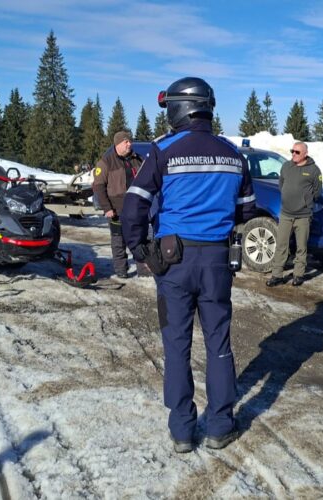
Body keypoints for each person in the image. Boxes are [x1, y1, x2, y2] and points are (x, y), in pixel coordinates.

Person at [122, 77, 257, 453]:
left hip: (174, 263)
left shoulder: (164, 150)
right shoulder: (233, 154)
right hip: (216, 261)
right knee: (218, 344)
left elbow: (133, 205)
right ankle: (219, 425)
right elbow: (246, 209)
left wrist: (139, 250)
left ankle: (182, 430)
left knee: (177, 346)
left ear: (180, 108)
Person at [266, 141, 322, 287]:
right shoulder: (286, 167)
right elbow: (281, 184)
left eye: (297, 152)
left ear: (305, 154)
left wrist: (305, 201)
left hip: (303, 216)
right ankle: (277, 275)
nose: (293, 154)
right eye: (292, 151)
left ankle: (298, 274)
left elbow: (317, 191)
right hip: (285, 214)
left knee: (301, 246)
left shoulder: (314, 170)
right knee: (281, 245)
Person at [92, 130, 144, 278]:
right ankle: (121, 271)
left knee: (139, 238)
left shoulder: (137, 159)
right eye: (126, 142)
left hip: (135, 207)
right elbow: (99, 186)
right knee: (118, 240)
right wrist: (107, 208)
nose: (129, 144)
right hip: (116, 208)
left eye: (130, 141)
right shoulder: (106, 162)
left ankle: (143, 270)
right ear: (118, 144)